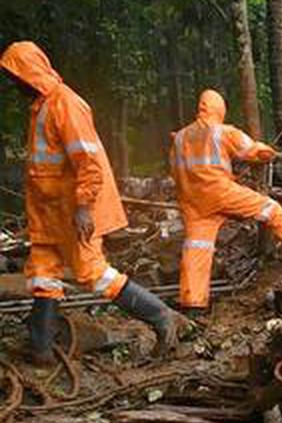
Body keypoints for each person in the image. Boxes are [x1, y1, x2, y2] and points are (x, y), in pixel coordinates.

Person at [0, 42, 180, 362]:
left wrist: (84, 206)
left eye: (15, 76)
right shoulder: (42, 106)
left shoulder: (66, 104)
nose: (13, 84)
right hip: (50, 215)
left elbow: (88, 160)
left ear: (30, 74)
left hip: (73, 212)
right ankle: (40, 348)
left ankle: (162, 317)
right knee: (43, 274)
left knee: (93, 275)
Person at [170, 90, 282, 313]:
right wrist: (271, 153)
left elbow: (175, 171)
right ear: (220, 110)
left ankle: (193, 303)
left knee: (197, 248)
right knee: (271, 209)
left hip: (193, 202)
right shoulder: (222, 132)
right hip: (221, 193)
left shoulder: (180, 137)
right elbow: (252, 151)